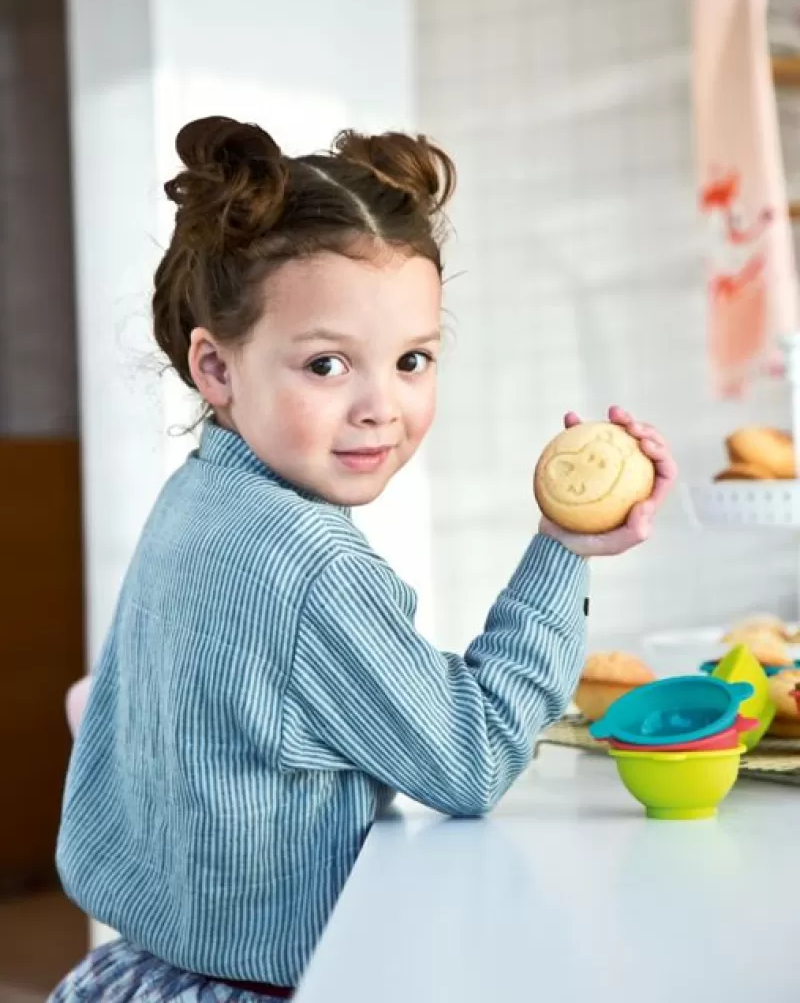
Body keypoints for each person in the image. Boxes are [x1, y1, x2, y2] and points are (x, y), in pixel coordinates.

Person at [51, 117, 676, 1001]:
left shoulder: (193, 500)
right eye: (328, 365)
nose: (382, 407)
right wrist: (563, 548)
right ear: (216, 367)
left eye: (412, 360)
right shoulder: (307, 564)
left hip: (128, 973)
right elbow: (471, 756)